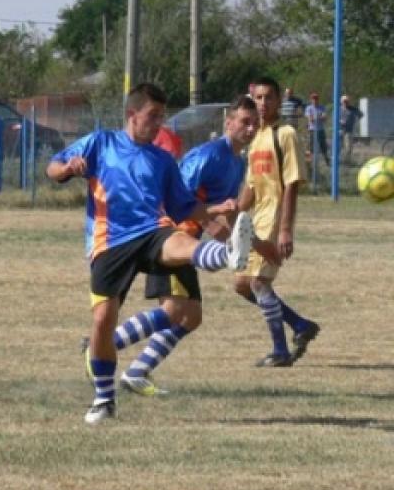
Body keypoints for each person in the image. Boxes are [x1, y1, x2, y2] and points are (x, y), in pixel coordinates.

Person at [48, 82, 252, 425]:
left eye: (162, 117)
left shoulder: (163, 160)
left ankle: (227, 255)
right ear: (132, 114)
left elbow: (182, 207)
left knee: (178, 244)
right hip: (110, 241)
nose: (159, 124)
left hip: (152, 230)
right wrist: (68, 169)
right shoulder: (101, 142)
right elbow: (53, 167)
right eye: (153, 116)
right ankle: (104, 399)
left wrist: (213, 214)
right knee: (103, 320)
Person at [103, 96, 262, 397]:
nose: (251, 128)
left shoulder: (237, 162)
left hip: (191, 242)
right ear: (228, 123)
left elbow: (216, 208)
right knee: (175, 310)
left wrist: (227, 231)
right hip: (171, 237)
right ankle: (101, 346)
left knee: (191, 316)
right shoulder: (209, 155)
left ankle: (136, 372)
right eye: (245, 121)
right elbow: (177, 198)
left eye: (255, 123)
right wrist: (211, 223)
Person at [235, 76, 320, 368]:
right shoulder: (255, 137)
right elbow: (250, 187)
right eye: (258, 98)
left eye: (268, 97)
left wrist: (285, 229)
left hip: (274, 218)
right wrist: (232, 213)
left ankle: (280, 350)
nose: (263, 103)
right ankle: (300, 324)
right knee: (242, 285)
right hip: (256, 218)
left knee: (259, 282)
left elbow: (292, 183)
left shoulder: (285, 134)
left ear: (278, 101)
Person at [304, 92, 329, 167]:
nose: (315, 100)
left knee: (323, 146)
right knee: (311, 147)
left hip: (320, 130)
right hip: (312, 130)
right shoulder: (309, 108)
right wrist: (319, 117)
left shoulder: (322, 107)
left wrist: (316, 118)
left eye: (316, 98)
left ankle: (327, 161)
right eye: (313, 99)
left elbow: (325, 118)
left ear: (318, 99)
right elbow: (310, 119)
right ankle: (311, 163)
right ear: (311, 100)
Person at [339, 95, 363, 163]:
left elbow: (361, 115)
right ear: (341, 102)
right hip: (340, 130)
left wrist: (355, 120)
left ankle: (347, 161)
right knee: (339, 147)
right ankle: (338, 160)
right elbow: (334, 118)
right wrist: (340, 121)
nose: (345, 103)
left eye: (347, 101)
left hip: (349, 131)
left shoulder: (353, 109)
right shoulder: (339, 109)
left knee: (348, 147)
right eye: (344, 101)